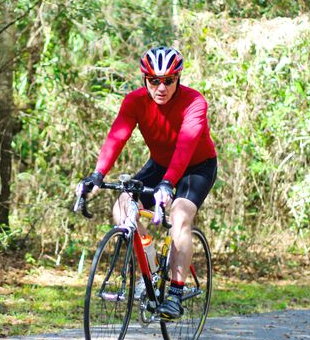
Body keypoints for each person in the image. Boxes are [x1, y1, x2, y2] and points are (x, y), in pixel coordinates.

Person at [76, 46, 218, 319]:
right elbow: (117, 136)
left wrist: (168, 183)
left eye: (168, 81)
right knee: (122, 206)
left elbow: (186, 145)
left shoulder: (195, 102)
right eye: (154, 80)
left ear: (178, 79)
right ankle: (150, 272)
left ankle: (175, 294)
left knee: (180, 214)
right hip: (161, 164)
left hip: (196, 166)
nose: (161, 87)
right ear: (145, 79)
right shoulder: (135, 101)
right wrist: (98, 175)